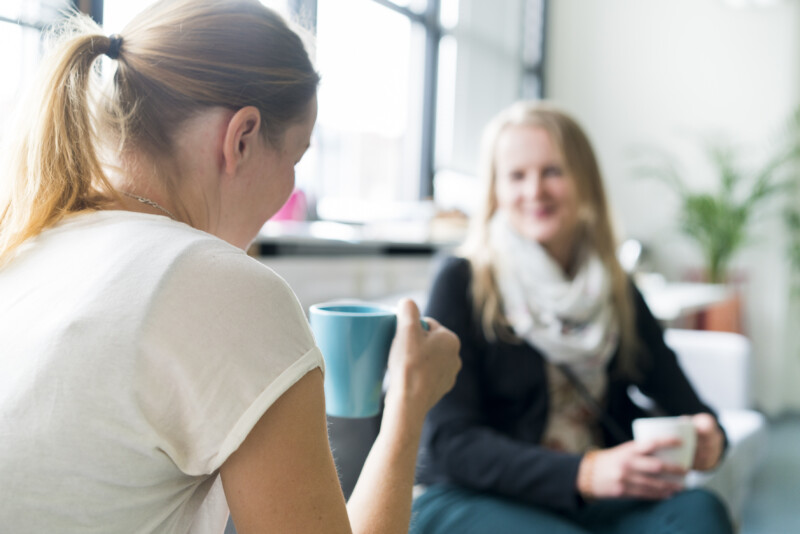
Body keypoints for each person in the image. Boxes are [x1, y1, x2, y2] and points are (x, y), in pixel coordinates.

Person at [0, 1, 461, 532]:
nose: (291, 185)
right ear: (241, 137)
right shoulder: (226, 288)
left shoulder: (29, 245)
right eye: (295, 158)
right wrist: (408, 404)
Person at [411, 101, 734, 534]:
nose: (534, 191)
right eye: (517, 176)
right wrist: (583, 472)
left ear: (584, 182)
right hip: (479, 494)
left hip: (598, 498)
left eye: (552, 171)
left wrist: (710, 440)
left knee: (700, 512)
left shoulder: (617, 291)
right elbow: (449, 442)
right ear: (496, 191)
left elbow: (690, 407)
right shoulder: (463, 282)